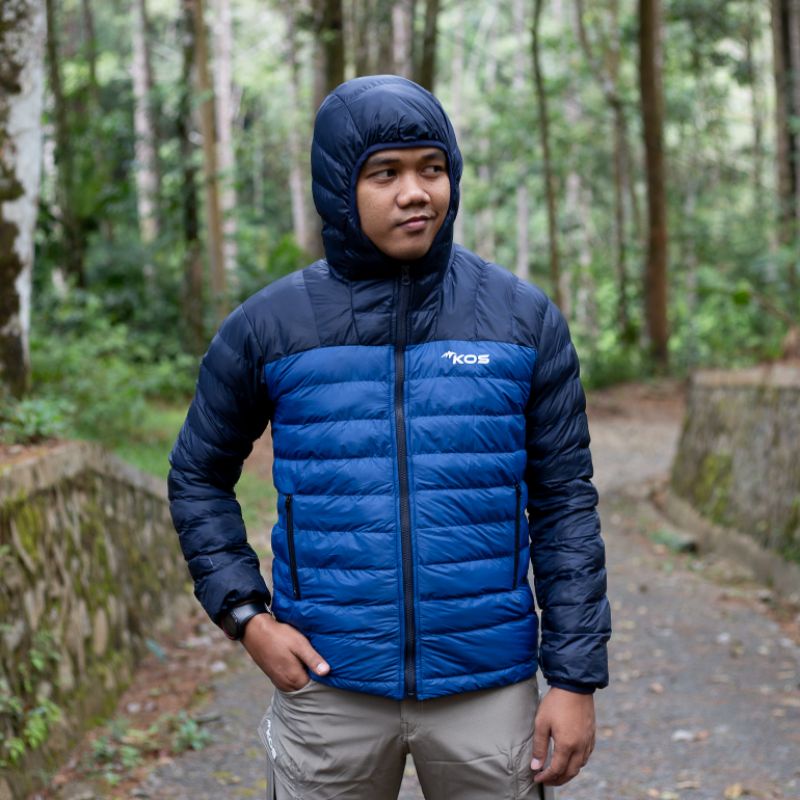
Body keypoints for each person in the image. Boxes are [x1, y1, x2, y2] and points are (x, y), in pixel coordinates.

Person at [168, 74, 611, 800]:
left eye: (431, 168)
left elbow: (565, 503)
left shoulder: (523, 320)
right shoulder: (269, 327)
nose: (415, 192)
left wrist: (575, 678)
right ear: (341, 187)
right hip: (327, 685)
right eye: (386, 174)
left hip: (488, 689)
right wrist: (246, 617)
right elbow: (197, 475)